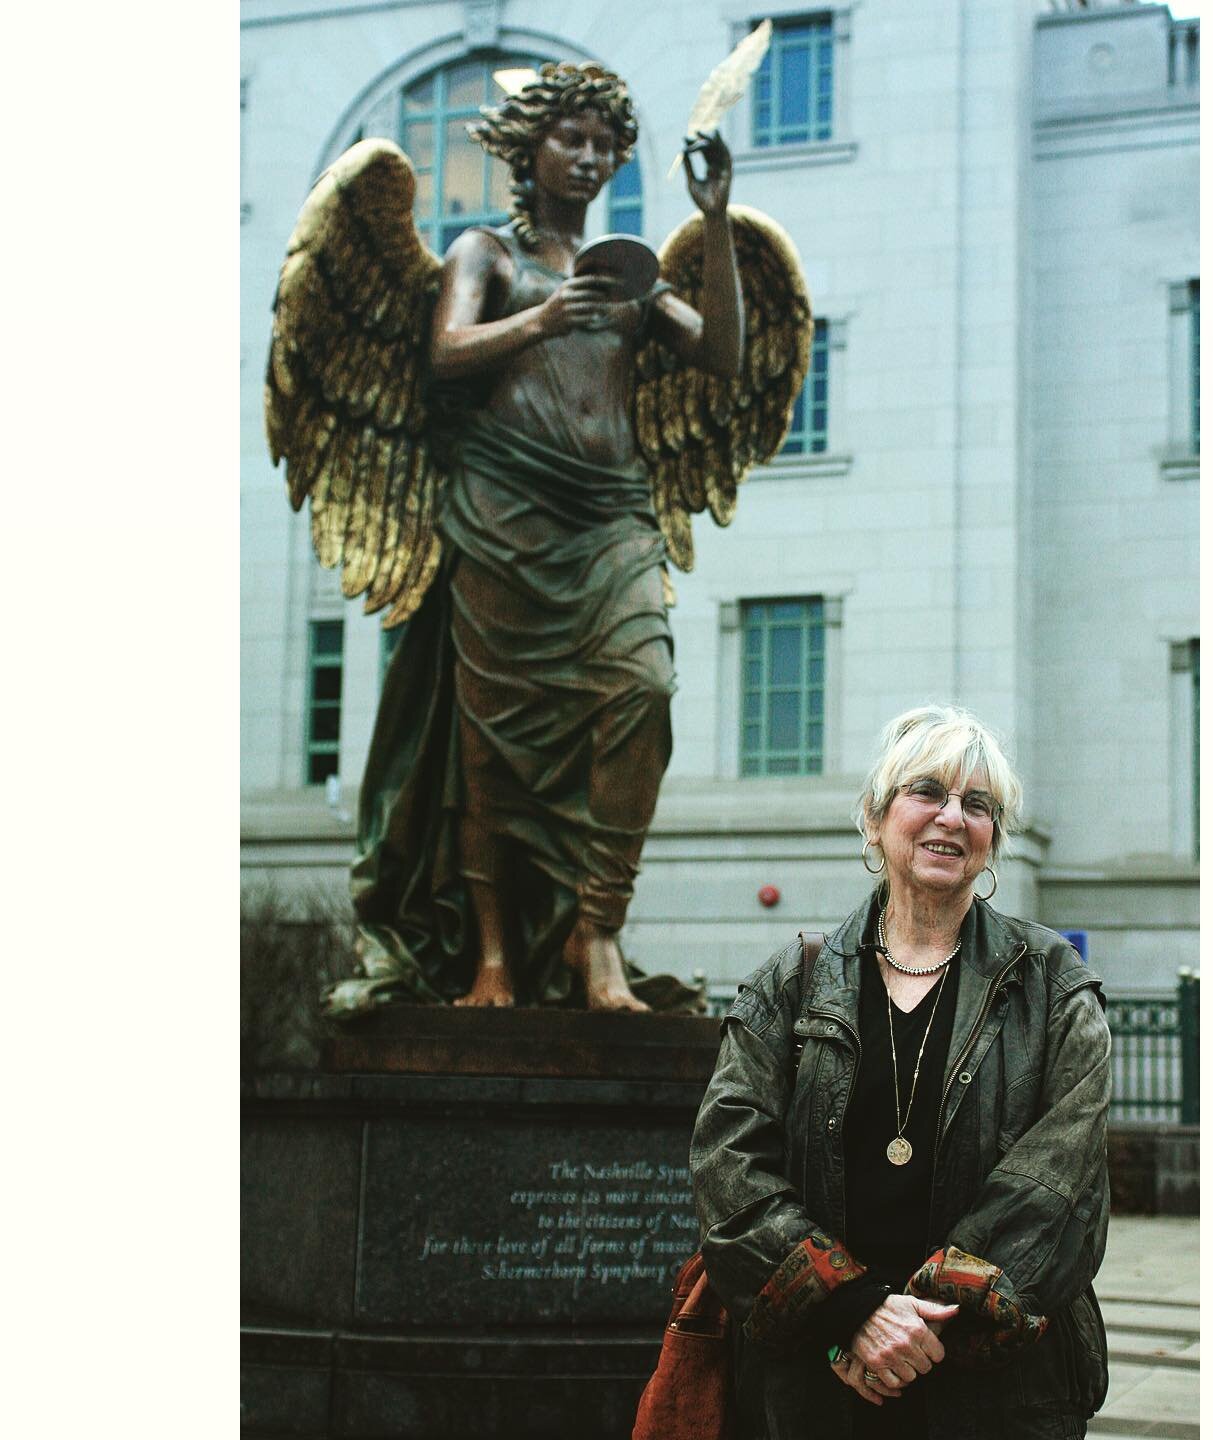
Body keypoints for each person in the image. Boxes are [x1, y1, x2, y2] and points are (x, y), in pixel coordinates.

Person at [347, 63, 744, 1013]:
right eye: (572, 139)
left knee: (643, 691)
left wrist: (719, 222)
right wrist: (543, 317)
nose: (590, 157)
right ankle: (490, 960)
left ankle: (594, 932)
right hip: (503, 511)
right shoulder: (486, 254)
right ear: (531, 151)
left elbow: (725, 357)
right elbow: (443, 352)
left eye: (605, 145)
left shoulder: (627, 271)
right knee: (493, 745)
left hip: (608, 515)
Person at [690, 704, 1112, 1438]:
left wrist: (923, 1323)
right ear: (877, 816)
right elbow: (727, 1167)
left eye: (977, 805)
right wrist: (850, 1312)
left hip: (1000, 1396)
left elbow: (1063, 1186)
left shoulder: (1052, 984)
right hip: (819, 1388)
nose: (952, 817)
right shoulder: (791, 982)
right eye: (927, 792)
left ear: (992, 840)